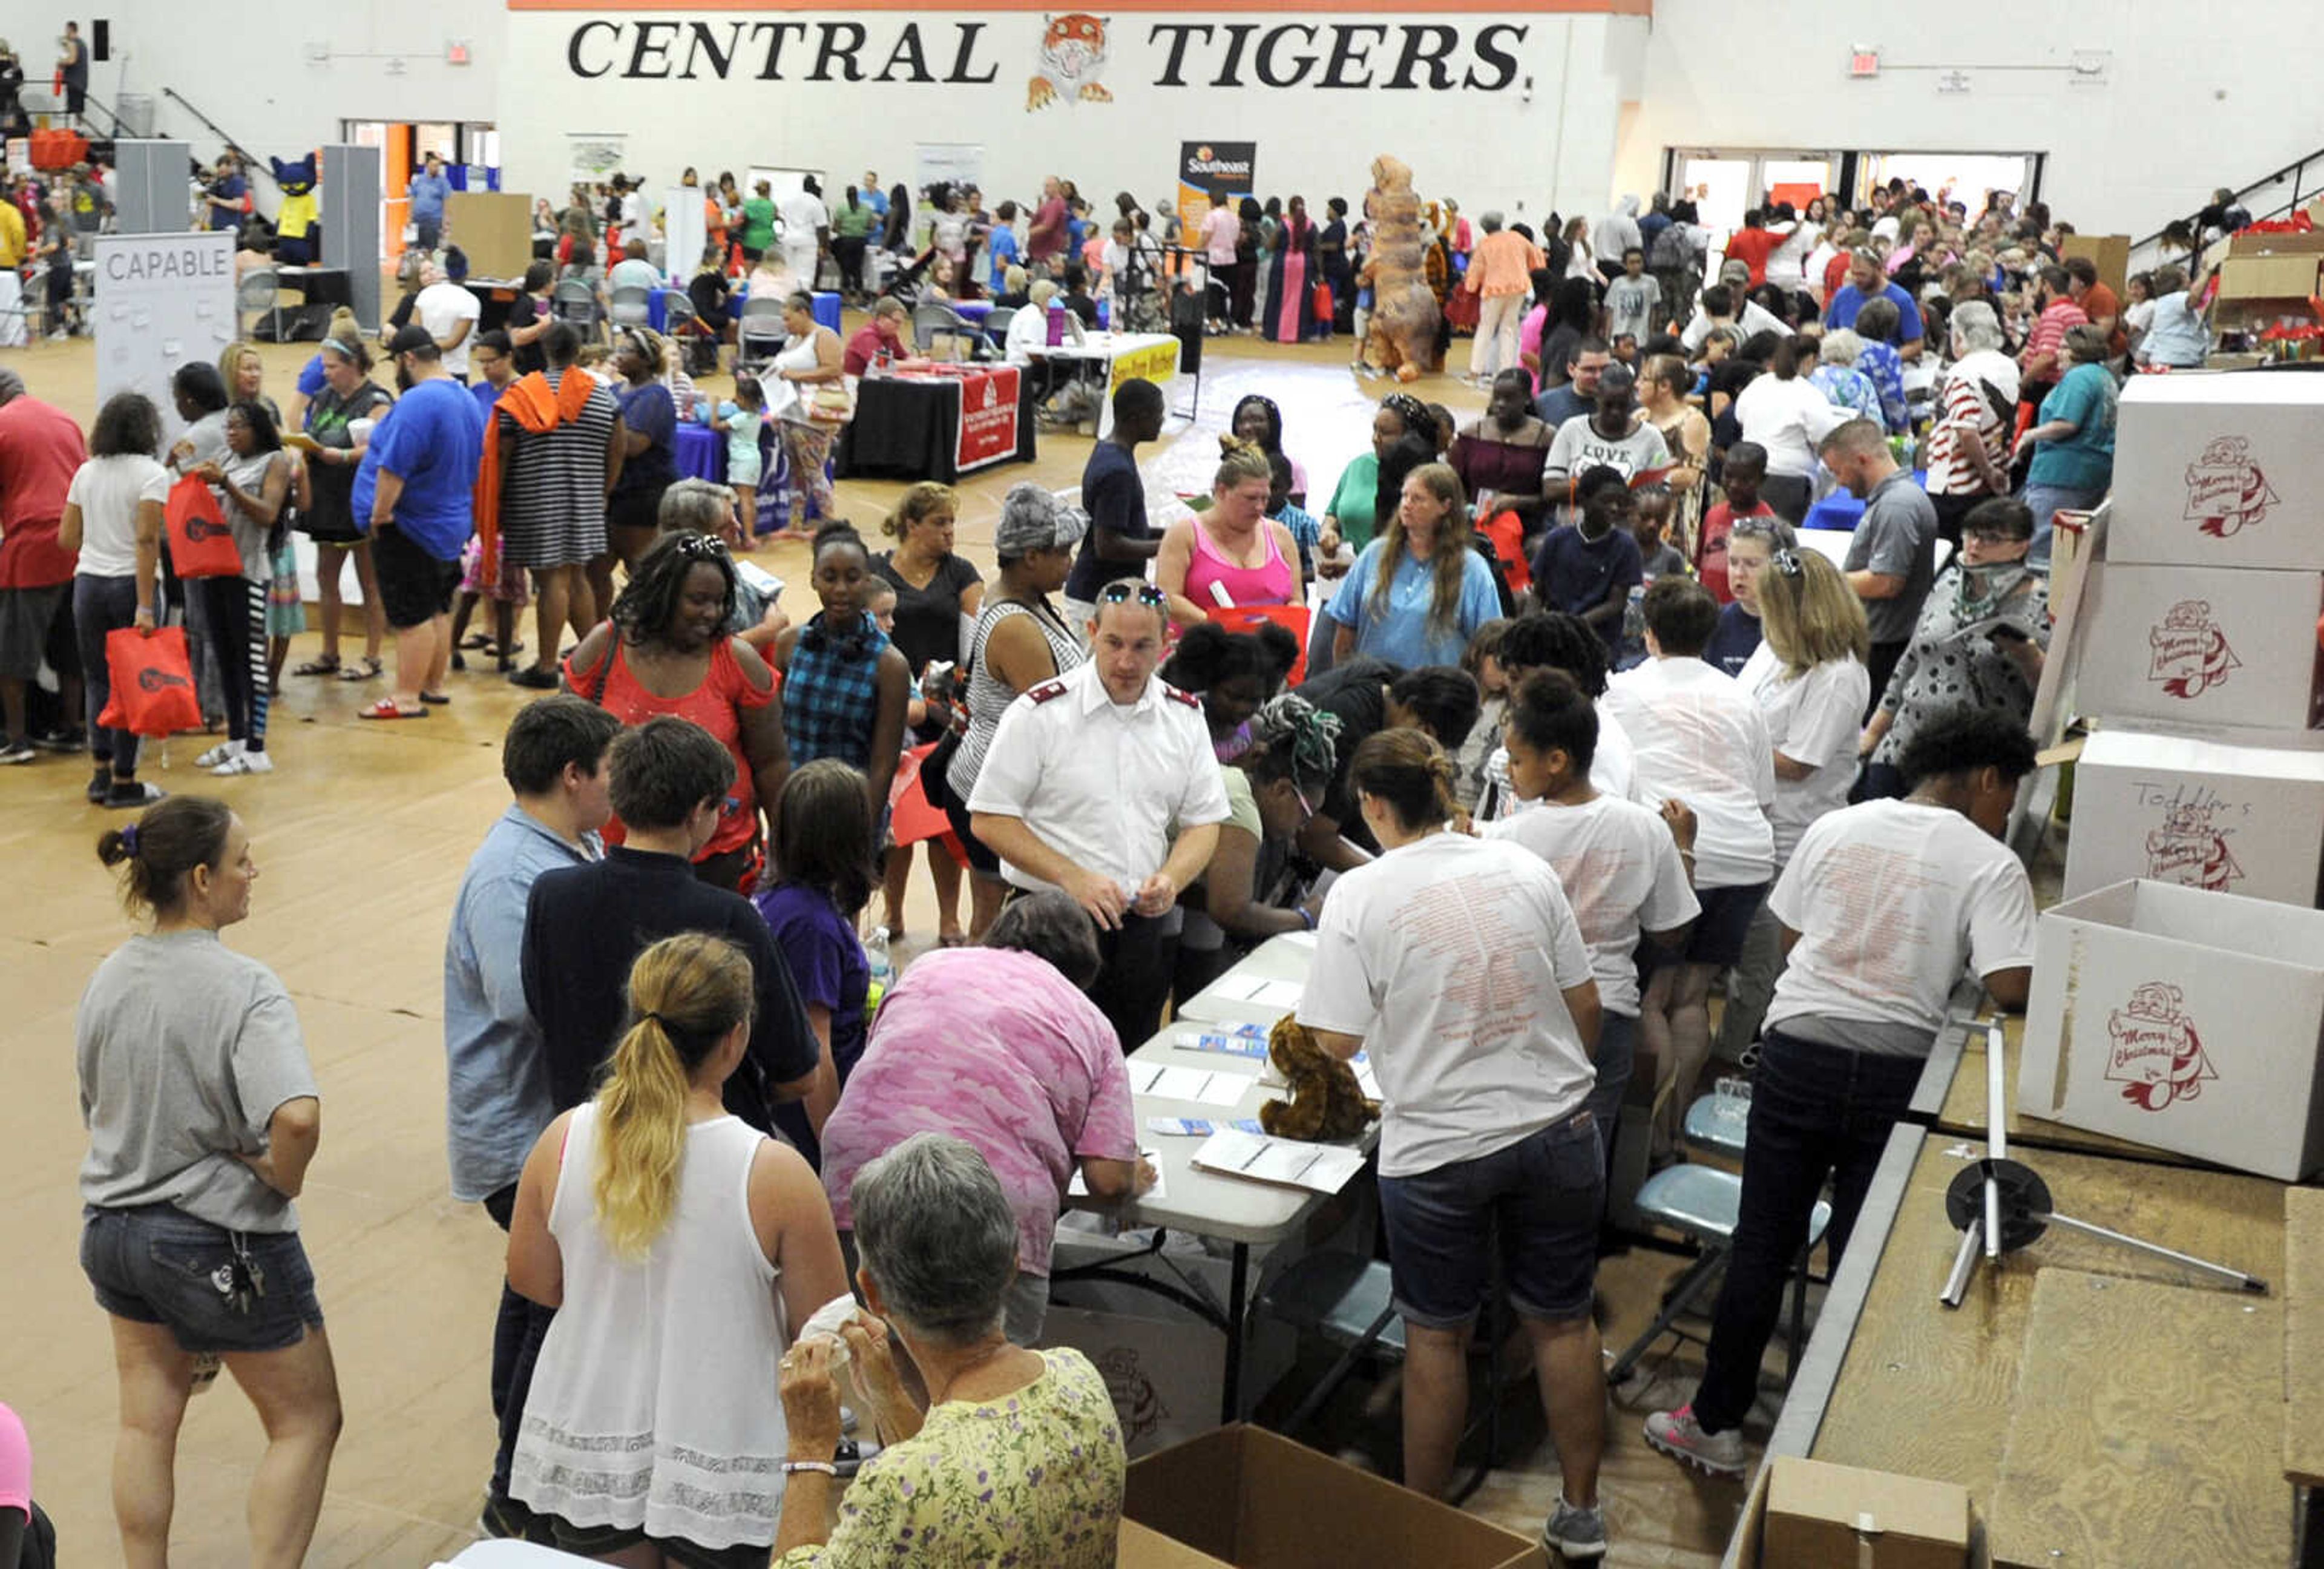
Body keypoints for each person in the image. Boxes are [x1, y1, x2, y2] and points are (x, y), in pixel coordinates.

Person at [1646, 709, 2038, 1479]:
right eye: (2009, 794)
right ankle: (1837, 1445)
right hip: (1899, 1074)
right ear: (1989, 779)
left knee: (1765, 1242)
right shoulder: (1991, 863)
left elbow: (1792, 938)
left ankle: (1716, 1423)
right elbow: (2011, 984)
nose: (2007, 812)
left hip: (1799, 1055)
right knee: (1866, 1257)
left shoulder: (1838, 826)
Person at [1296, 729, 1610, 1559]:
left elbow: (1329, 1040)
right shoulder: (1522, 866)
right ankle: (1582, 1514)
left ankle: (1421, 1524)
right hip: (1557, 1125)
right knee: (1564, 1324)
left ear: (1370, 804)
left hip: (1438, 1146)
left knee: (1436, 1337)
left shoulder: (1361, 896)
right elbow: (1585, 1003)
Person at [507, 931, 850, 1564]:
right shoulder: (774, 1173)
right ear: (735, 1040)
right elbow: (824, 1334)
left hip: (593, 1432)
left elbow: (534, 1280)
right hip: (726, 1444)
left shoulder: (562, 1140)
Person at [77, 797, 341, 1567]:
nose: (253, 874)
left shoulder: (107, 975)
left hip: (112, 1231)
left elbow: (97, 1106)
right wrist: (279, 1178)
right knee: (307, 1421)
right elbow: (295, 1117)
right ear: (200, 879)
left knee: (145, 1424)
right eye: (242, 861)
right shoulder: (246, 987)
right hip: (215, 1242)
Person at [772, 1134, 1128, 1566]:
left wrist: (809, 1451)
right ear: (1012, 1265)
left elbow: (942, 1482)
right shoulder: (1081, 1382)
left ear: (873, 1293)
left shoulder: (901, 1487)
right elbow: (965, 1478)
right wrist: (889, 1397)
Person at [444, 695, 623, 1539]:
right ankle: (513, 1487)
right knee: (546, 1307)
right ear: (574, 775)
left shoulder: (570, 845)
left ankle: (521, 1473)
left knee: (542, 1300)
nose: (619, 785)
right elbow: (527, 1002)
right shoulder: (513, 875)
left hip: (547, 1128)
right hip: (519, 1139)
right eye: (610, 770)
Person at [819, 893, 1144, 1347]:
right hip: (990, 1208)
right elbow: (1108, 1181)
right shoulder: (1091, 1021)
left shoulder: (928, 968)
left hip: (860, 1184)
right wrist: (1135, 1172)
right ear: (1083, 966)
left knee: (880, 1366)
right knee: (986, 1391)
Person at [969, 578, 1230, 1050]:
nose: (1126, 662)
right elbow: (989, 818)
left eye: (1141, 646)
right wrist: (1073, 878)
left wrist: (1172, 878)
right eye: (1113, 643)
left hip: (1139, 929)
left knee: (1128, 1058)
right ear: (1091, 631)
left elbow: (1204, 821)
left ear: (1166, 643)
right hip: (1050, 925)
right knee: (1040, 1062)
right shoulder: (1039, 714)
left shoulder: (1184, 718)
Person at [1488, 668, 1698, 1176]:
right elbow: (1670, 932)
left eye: (1517, 760)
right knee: (1584, 1154)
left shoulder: (1507, 839)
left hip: (1528, 1011)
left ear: (1556, 760)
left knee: (1515, 1148)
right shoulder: (1644, 827)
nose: (1510, 772)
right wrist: (1684, 846)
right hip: (1611, 1012)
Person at [1604, 578, 1775, 1159]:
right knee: (1693, 997)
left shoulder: (1622, 691)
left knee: (1652, 998)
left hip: (1674, 847)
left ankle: (1648, 1142)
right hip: (1745, 853)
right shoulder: (1741, 696)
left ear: (1648, 632)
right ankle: (1676, 1129)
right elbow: (1763, 792)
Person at [564, 531, 791, 891]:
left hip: (716, 859)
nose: (712, 613)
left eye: (719, 602)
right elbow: (563, 746)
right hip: (613, 855)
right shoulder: (603, 647)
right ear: (663, 595)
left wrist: (786, 850)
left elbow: (772, 763)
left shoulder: (738, 661)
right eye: (698, 600)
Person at [1718, 548, 1869, 1059]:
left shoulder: (1838, 677)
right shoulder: (1777, 650)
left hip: (1793, 833)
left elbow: (1801, 761)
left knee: (1765, 963)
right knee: (1742, 955)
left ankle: (1741, 1056)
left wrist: (1731, 746)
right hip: (1751, 820)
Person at [945, 485, 1088, 939]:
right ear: (1031, 556)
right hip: (992, 792)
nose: (1070, 563)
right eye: (1063, 553)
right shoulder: (1015, 627)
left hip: (990, 778)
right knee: (993, 920)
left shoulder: (1024, 598)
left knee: (992, 906)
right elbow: (1054, 723)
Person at [1858, 498, 2049, 801]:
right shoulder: (1948, 583)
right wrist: (1873, 733)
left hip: (1974, 759)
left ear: (2021, 547)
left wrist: (2026, 653)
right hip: (1908, 739)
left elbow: (2051, 694)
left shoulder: (2042, 602)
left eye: (1992, 539)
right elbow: (1910, 661)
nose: (1975, 546)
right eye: (1971, 534)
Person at [352, 325, 486, 720]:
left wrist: (379, 514)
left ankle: (406, 697)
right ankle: (432, 685)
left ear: (408, 359)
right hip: (449, 523)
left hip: (412, 527)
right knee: (437, 610)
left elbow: (394, 467)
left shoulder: (416, 403)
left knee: (412, 617)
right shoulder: (465, 397)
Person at [870, 482, 981, 942]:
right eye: (940, 523)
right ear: (911, 525)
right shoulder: (877, 569)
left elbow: (978, 634)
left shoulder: (961, 572)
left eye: (953, 522)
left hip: (942, 710)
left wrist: (959, 699)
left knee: (941, 822)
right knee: (897, 819)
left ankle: (949, 919)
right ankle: (893, 914)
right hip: (891, 708)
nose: (950, 532)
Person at [487, 321, 623, 692]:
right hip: (586, 497)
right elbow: (618, 442)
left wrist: (494, 500)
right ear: (579, 351)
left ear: (544, 351)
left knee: (551, 580)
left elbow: (503, 451)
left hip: (536, 498)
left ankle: (547, 666)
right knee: (578, 578)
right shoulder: (601, 393)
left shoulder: (523, 392)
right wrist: (605, 489)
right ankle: (596, 663)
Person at [1176, 689, 1341, 993]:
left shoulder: (1238, 786)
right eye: (1305, 814)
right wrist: (1304, 917)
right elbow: (1232, 911)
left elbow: (1208, 896)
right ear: (1280, 789)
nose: (1302, 828)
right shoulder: (1241, 807)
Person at [59, 392, 168, 806]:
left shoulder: (86, 473)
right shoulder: (152, 474)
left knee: (97, 680)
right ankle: (126, 781)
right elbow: (145, 540)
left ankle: (100, 774)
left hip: (88, 583)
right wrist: (144, 605)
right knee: (133, 684)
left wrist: (100, 543)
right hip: (130, 586)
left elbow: (67, 537)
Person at [754, 759, 879, 1093]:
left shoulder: (780, 895)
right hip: (815, 1110)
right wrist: (831, 1140)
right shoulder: (811, 928)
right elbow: (815, 1051)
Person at [773, 522, 912, 820]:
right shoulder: (788, 645)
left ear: (868, 581)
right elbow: (775, 740)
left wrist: (864, 829)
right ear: (813, 579)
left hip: (852, 814)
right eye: (829, 577)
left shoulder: (889, 665)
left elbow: (883, 763)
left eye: (852, 578)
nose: (840, 590)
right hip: (794, 810)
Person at [183, 401, 289, 776]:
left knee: (251, 662)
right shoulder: (226, 457)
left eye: (239, 426)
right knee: (225, 657)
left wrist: (226, 485)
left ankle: (258, 748)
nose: (231, 433)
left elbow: (267, 514)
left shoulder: (274, 461)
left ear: (258, 428)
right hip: (215, 570)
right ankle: (237, 738)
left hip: (248, 573)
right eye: (228, 426)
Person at [1325, 462, 1500, 670]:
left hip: (1436, 692)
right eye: (1405, 496)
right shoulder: (1374, 554)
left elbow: (1488, 644)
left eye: (1418, 499)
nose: (1407, 505)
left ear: (1445, 506)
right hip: (1371, 688)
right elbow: (1346, 627)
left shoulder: (1472, 569)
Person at [287, 335, 391, 684]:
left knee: (370, 582)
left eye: (332, 367)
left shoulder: (375, 400)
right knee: (325, 578)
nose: (326, 374)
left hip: (358, 501)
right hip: (326, 502)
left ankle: (372, 655)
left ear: (353, 365)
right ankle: (329, 652)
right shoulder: (323, 398)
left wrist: (343, 456)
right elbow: (307, 428)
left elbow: (381, 445)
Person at [1820, 418, 1938, 712]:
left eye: (1839, 472)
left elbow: (1886, 582)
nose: (1840, 483)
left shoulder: (1896, 506)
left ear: (1861, 460)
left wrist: (1823, 581)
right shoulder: (1896, 499)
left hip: (1885, 648)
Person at [0, 368, 86, 764]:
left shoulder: (3, 425)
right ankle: (73, 729)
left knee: (13, 651)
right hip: (77, 544)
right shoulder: (65, 420)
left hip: (30, 550)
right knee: (70, 646)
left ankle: (16, 740)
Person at [1157, 438, 1302, 628]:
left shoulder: (1281, 536)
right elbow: (1167, 599)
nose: (1259, 507)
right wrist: (1224, 626)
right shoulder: (1184, 534)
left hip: (1266, 650)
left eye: (1265, 498)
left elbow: (1296, 599)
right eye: (1250, 498)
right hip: (1199, 648)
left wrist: (1290, 616)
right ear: (1222, 491)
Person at [1057, 377, 1164, 631]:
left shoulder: (1107, 450)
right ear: (1137, 418)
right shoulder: (1118, 472)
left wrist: (1176, 534)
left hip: (1100, 594)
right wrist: (1166, 546)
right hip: (1094, 598)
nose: (1162, 421)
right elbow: (1108, 545)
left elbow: (1126, 529)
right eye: (1158, 414)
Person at [2014, 323, 2116, 567]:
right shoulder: (2104, 376)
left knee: (2042, 552)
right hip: (2091, 474)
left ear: (2079, 350)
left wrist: (2029, 436)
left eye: (2063, 347)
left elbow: (2067, 424)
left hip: (2062, 475)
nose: (2057, 353)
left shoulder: (2079, 378)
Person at [1923, 300, 2018, 546]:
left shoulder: (1962, 372)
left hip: (1957, 484)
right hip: (1996, 472)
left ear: (1960, 336)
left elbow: (1966, 432)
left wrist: (1986, 470)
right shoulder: (2009, 366)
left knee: (1952, 550)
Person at [1532, 467, 1644, 653]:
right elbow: (1538, 593)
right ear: (1584, 500)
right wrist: (1531, 627)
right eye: (1606, 501)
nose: (1614, 508)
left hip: (1598, 644)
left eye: (1619, 502)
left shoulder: (1626, 547)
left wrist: (1574, 626)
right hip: (1552, 640)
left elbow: (1616, 603)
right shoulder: (1557, 540)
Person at [1734, 338, 1846, 523]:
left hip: (1749, 472)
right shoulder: (1809, 394)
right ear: (1810, 360)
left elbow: (1740, 417)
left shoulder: (1757, 385)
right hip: (1787, 479)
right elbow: (1825, 439)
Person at [765, 292, 848, 540]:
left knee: (814, 472)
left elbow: (834, 369)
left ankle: (832, 524)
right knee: (797, 472)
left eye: (789, 319)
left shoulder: (824, 336)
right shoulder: (792, 341)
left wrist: (795, 376)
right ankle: (795, 522)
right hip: (791, 414)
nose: (785, 324)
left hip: (813, 418)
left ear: (803, 313)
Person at [1320, 393, 1431, 570]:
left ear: (1411, 438)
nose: (1375, 439)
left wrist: (1355, 569)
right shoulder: (1358, 466)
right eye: (1375, 430)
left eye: (1386, 433)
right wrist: (1328, 532)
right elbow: (1333, 513)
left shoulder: (1428, 480)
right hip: (1342, 580)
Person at [1449, 370, 1557, 538]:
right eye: (1497, 397)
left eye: (1509, 399)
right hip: (1475, 524)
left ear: (1528, 399)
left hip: (1528, 527)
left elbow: (1553, 495)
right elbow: (1453, 485)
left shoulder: (1547, 437)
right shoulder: (1470, 434)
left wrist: (1517, 502)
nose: (1500, 404)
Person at [1543, 361, 1671, 498]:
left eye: (1622, 405)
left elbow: (1662, 492)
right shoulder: (1573, 430)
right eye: (1609, 405)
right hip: (1575, 519)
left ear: (1632, 400)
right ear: (1598, 398)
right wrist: (1596, 488)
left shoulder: (1651, 437)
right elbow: (1550, 488)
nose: (1615, 412)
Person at [1463, 211, 1545, 381]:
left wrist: (1471, 287)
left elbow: (1476, 269)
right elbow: (1537, 257)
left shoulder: (1485, 244)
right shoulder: (1517, 238)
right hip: (1519, 287)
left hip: (1494, 289)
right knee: (1509, 329)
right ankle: (1505, 371)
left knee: (1485, 328)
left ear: (1485, 229)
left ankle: (1475, 370)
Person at [1640, 354, 1709, 553]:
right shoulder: (1639, 417)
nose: (1638, 385)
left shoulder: (1692, 421)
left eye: (1644, 379)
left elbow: (1690, 476)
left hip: (1673, 519)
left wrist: (1642, 478)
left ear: (1664, 386)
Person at [1822, 247, 1926, 358]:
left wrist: (1889, 361)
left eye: (1862, 275)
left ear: (1879, 269)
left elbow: (1916, 344)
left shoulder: (1902, 299)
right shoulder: (1842, 296)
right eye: (1854, 274)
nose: (1856, 279)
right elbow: (1830, 333)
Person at [2133, 262, 2210, 369]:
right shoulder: (2174, 299)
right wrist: (2207, 273)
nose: (2190, 280)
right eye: (2186, 276)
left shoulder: (2164, 303)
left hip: (2169, 361)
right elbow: (2194, 298)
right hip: (2176, 362)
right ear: (2180, 280)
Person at [1606, 246, 1662, 344]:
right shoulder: (1617, 283)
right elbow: (1610, 311)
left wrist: (1651, 334)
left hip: (1641, 338)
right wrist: (1607, 337)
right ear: (1625, 265)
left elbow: (1654, 311)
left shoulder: (1651, 282)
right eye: (1632, 263)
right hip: (1619, 336)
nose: (1636, 266)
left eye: (1639, 262)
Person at [841, 295, 908, 376]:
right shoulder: (867, 336)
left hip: (874, 380)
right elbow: (882, 364)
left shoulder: (891, 335)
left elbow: (905, 357)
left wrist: (923, 362)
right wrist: (918, 365)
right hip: (855, 382)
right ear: (881, 318)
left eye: (901, 323)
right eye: (896, 322)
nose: (899, 327)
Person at [409, 153, 452, 252]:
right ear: (427, 166)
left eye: (438, 166)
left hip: (433, 221)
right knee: (414, 250)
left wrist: (446, 223)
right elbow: (412, 198)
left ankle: (430, 267)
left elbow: (447, 203)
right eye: (433, 166)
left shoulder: (443, 182)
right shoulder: (418, 180)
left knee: (432, 250)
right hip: (417, 220)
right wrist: (409, 217)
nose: (436, 168)